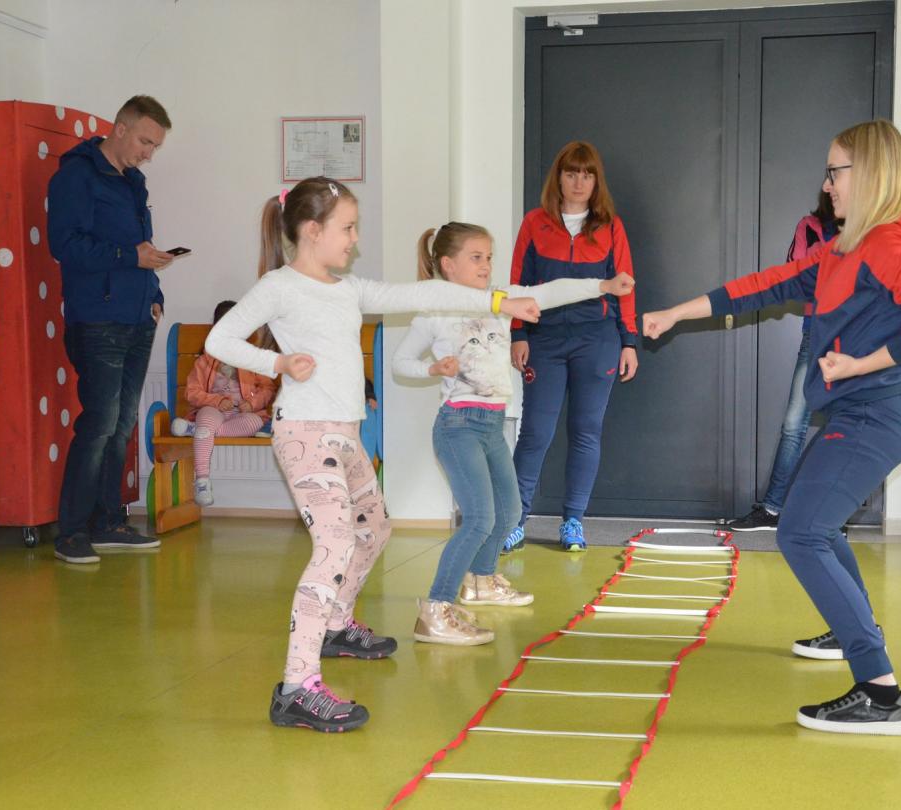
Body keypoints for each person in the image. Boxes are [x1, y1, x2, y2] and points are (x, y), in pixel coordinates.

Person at [642, 120, 901, 735]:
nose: (827, 185)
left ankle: (881, 695)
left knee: (800, 533)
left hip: (875, 416)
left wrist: (859, 364)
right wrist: (676, 313)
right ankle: (853, 630)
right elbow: (760, 287)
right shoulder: (842, 249)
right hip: (856, 414)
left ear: (869, 174)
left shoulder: (889, 244)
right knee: (815, 525)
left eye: (835, 172)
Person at [204, 177, 541, 733]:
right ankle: (296, 687)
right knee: (335, 544)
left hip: (344, 435)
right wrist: (278, 364)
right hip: (305, 434)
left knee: (376, 528)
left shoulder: (349, 289)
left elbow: (425, 295)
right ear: (312, 231)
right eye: (348, 228)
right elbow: (220, 339)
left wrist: (498, 301)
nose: (355, 239)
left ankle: (336, 627)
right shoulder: (279, 286)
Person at [395, 222, 634, 645]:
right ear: (448, 265)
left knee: (508, 513)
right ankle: (435, 610)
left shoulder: (501, 300)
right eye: (476, 257)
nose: (486, 265)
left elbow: (553, 290)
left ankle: (481, 581)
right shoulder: (434, 312)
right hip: (457, 427)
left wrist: (603, 285)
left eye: (489, 257)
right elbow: (400, 362)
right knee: (480, 518)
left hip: (490, 426)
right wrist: (432, 368)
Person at [47, 95, 175, 564]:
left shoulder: (133, 182)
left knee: (121, 426)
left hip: (138, 317)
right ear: (120, 128)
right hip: (97, 319)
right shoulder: (76, 176)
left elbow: (140, 247)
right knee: (99, 424)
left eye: (155, 146)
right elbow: (65, 245)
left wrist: (155, 292)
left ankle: (107, 523)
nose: (148, 153)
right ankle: (71, 533)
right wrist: (129, 258)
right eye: (145, 141)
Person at [506, 140, 639, 553]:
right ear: (558, 178)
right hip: (544, 341)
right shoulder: (534, 223)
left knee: (586, 432)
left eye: (587, 174)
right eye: (571, 173)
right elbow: (518, 283)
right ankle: (514, 521)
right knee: (535, 433)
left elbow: (625, 286)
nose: (579, 182)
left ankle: (573, 522)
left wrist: (629, 342)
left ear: (596, 181)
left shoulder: (610, 227)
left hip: (596, 341)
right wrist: (518, 334)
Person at [730, 191, 840, 532]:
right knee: (794, 423)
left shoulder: (864, 229)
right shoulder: (808, 227)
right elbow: (796, 277)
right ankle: (772, 510)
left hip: (851, 338)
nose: (832, 186)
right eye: (829, 179)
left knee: (843, 426)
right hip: (815, 334)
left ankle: (831, 515)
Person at [170, 301, 277, 506]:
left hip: (242, 415)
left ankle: (195, 430)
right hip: (212, 410)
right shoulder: (205, 360)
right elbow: (192, 392)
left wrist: (252, 404)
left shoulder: (252, 357)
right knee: (207, 421)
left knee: (254, 423)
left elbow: (267, 388)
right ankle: (202, 481)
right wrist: (216, 400)